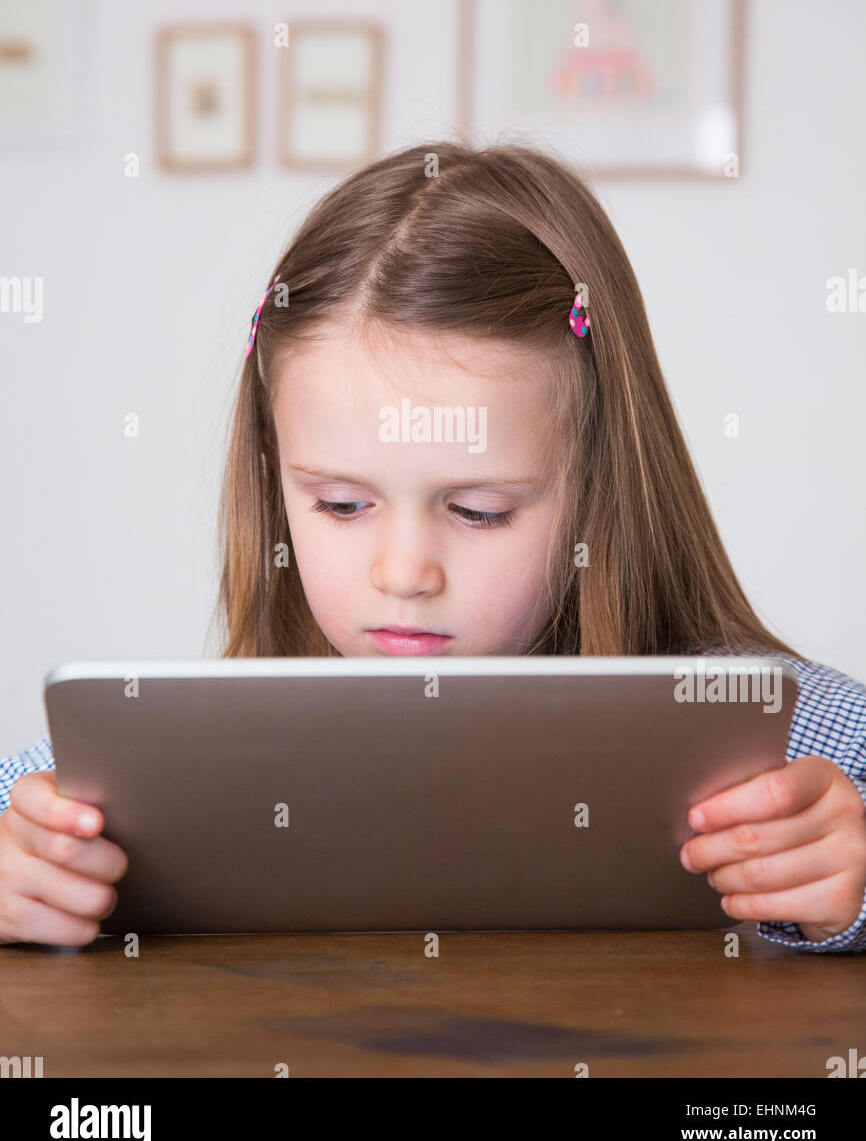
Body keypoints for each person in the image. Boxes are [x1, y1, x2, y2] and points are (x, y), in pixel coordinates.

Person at [2, 140, 864, 951]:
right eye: (341, 504)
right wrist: (26, 876)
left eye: (479, 511)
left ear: (601, 491)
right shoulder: (154, 767)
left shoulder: (797, 752)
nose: (404, 574)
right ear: (273, 482)